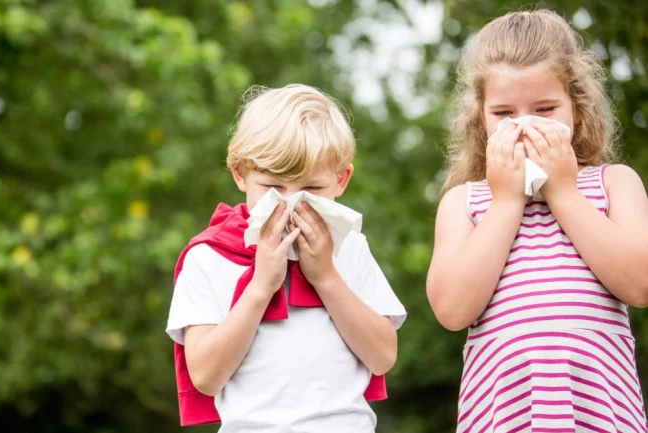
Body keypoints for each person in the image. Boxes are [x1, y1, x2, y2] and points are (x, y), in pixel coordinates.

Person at [427, 9, 648, 432]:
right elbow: (452, 311)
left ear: (577, 109)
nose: (525, 127)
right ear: (481, 119)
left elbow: (639, 285)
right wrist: (507, 202)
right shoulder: (465, 202)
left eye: (545, 109)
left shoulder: (614, 183)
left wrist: (563, 191)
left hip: (598, 412)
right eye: (504, 114)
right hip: (505, 415)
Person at [166, 84, 407, 432]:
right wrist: (262, 284)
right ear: (240, 174)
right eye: (274, 187)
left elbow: (383, 357)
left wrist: (325, 276)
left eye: (311, 190)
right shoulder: (209, 257)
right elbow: (205, 376)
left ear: (342, 180)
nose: (291, 204)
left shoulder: (350, 248)